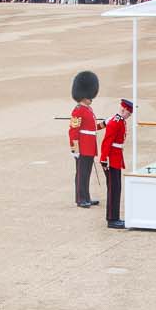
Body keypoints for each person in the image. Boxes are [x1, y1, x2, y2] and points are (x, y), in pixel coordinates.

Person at [68, 71, 100, 208]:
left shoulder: (88, 109)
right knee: (81, 174)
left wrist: (106, 124)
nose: (91, 98)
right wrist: (75, 149)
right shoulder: (78, 110)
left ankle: (86, 196)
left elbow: (92, 128)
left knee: (86, 174)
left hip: (90, 146)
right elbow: (73, 131)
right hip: (82, 148)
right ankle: (80, 199)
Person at [100, 98, 130, 229]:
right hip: (111, 159)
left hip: (116, 158)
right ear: (122, 110)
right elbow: (107, 142)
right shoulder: (115, 122)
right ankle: (112, 219)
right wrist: (104, 158)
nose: (128, 116)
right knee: (113, 189)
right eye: (128, 113)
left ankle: (114, 216)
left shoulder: (118, 121)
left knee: (116, 188)